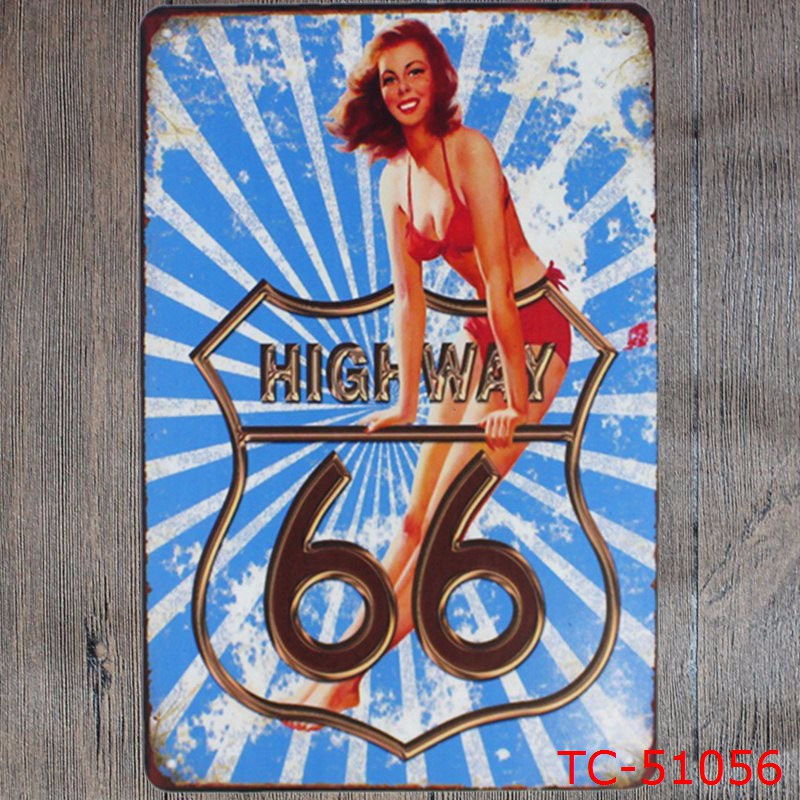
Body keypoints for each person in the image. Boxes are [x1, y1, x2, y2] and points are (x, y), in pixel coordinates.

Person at [281, 18, 571, 728]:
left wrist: (514, 397)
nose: (403, 88)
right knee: (413, 520)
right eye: (390, 78)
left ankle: (346, 675)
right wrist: (404, 400)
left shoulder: (470, 150)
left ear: (438, 78)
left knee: (442, 528)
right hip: (476, 336)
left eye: (415, 72)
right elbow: (408, 301)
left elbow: (500, 282)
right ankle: (338, 666)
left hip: (532, 332)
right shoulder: (394, 180)